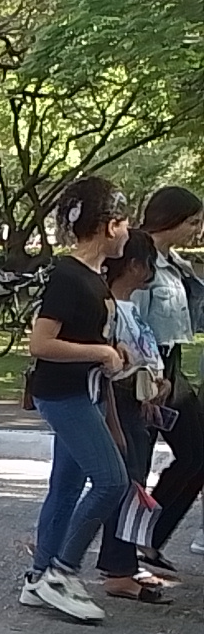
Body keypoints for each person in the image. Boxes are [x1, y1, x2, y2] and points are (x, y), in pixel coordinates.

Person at [18, 176, 133, 623]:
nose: (127, 233)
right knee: (111, 480)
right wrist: (100, 352)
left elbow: (85, 335)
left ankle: (38, 576)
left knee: (65, 488)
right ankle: (60, 573)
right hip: (63, 395)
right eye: (124, 224)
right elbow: (41, 343)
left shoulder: (90, 276)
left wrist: (112, 352)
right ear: (109, 225)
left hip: (82, 391)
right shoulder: (68, 276)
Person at [116, 187, 204, 566]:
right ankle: (123, 554)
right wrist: (149, 376)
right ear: (172, 220)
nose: (197, 230)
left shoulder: (175, 262)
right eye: (193, 222)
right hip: (147, 367)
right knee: (137, 462)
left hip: (173, 364)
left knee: (197, 454)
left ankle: (151, 536)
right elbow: (130, 320)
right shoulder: (143, 261)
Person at [92, 235, 168, 602]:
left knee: (134, 482)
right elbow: (110, 370)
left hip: (139, 404)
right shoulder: (110, 309)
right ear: (136, 265)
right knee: (126, 485)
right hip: (120, 404)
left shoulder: (130, 307)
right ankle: (118, 569)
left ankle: (122, 562)